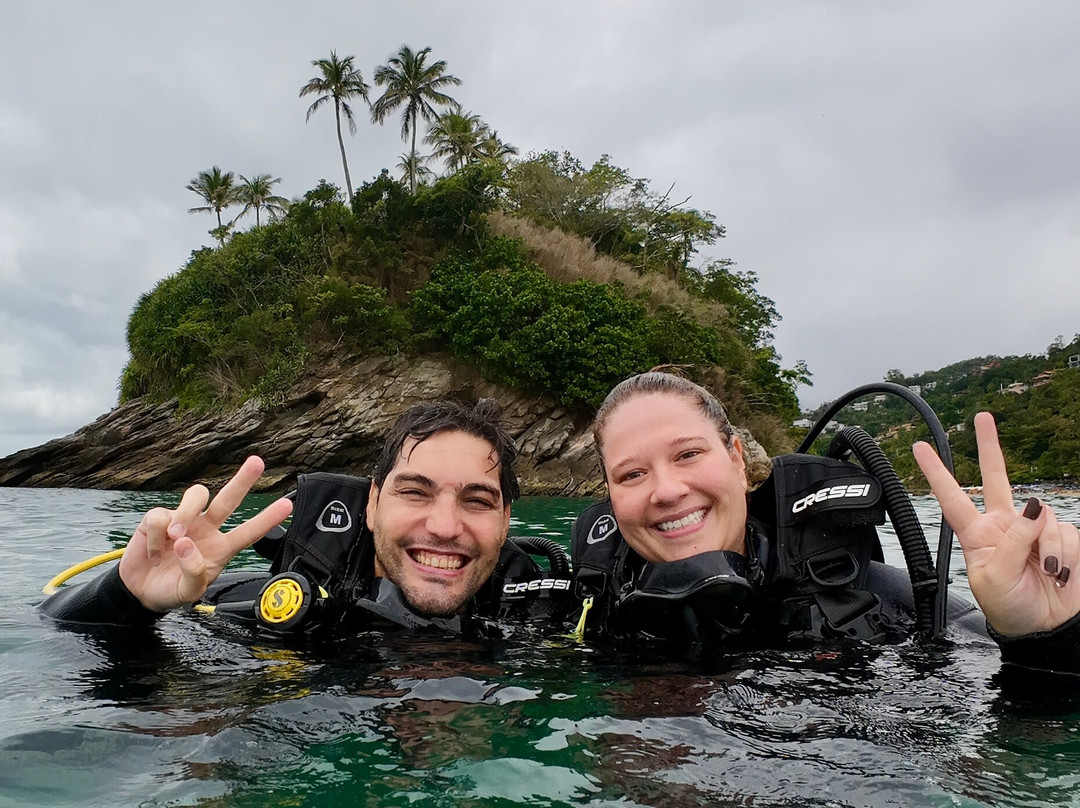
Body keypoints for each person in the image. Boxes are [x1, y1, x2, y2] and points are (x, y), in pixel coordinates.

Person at [570, 370, 1080, 672]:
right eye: (632, 474)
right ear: (611, 496)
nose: (666, 491)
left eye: (687, 454)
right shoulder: (583, 616)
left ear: (736, 458)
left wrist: (1043, 637)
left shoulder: (876, 600)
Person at [41, 399, 571, 636]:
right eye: (415, 492)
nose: (445, 525)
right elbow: (52, 633)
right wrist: (127, 596)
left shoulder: (550, 625)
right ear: (371, 505)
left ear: (505, 521)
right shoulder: (275, 608)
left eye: (477, 501)